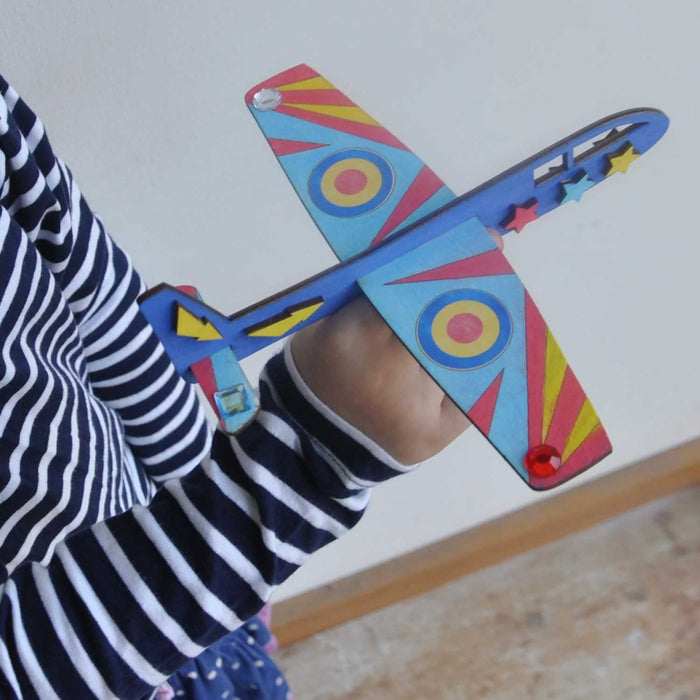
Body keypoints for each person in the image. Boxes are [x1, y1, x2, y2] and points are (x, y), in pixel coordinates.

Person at [0, 74, 477, 699]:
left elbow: (99, 318)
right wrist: (306, 467)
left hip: (180, 587)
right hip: (168, 601)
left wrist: (214, 499)